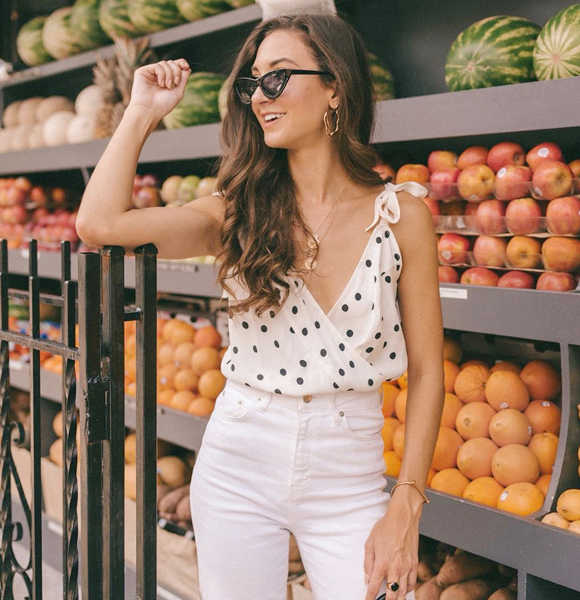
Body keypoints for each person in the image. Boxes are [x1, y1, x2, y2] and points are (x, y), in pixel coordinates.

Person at [76, 11, 445, 600]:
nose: (258, 96)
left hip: (349, 471)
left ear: (335, 87)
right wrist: (141, 110)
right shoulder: (235, 212)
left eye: (277, 76)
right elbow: (98, 224)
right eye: (252, 83)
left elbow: (428, 371)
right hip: (239, 456)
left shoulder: (403, 215)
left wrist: (408, 500)